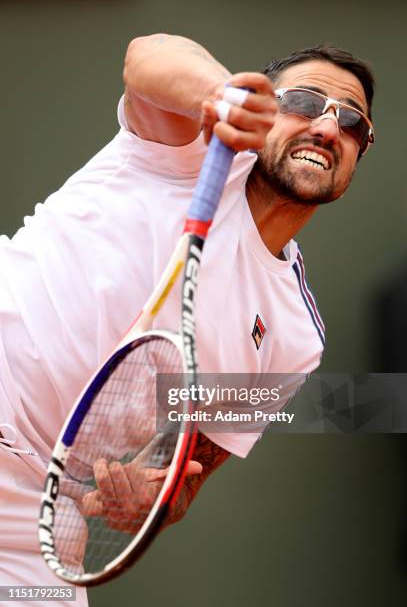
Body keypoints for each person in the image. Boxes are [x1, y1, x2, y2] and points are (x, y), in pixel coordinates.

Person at [0, 33, 374, 605]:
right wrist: (222, 95)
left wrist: (145, 504)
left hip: (40, 518)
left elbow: (183, 474)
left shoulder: (295, 338)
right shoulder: (186, 152)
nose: (328, 129)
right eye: (304, 103)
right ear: (266, 108)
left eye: (352, 123)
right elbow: (146, 57)